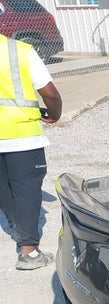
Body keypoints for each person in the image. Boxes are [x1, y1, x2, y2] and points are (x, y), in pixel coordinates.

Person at [0, 25, 63, 270]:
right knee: (26, 189)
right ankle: (29, 252)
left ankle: (20, 228)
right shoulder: (20, 51)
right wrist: (54, 114)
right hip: (21, 133)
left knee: (3, 187)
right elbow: (49, 93)